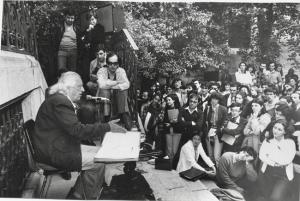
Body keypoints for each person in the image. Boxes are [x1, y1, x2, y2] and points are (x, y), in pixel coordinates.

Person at [33, 72, 127, 199]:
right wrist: (107, 127)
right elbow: (77, 130)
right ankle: (87, 196)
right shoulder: (60, 102)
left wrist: (103, 127)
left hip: (56, 147)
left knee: (102, 154)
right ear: (68, 88)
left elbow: (73, 128)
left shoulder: (58, 99)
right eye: (79, 86)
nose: (83, 89)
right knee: (99, 162)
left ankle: (78, 195)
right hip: (55, 153)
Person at [257, 120, 296, 201]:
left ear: (284, 132)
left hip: (283, 175)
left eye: (279, 129)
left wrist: (269, 156)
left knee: (275, 198)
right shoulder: (268, 140)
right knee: (265, 195)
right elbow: (261, 156)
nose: (276, 131)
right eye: (275, 128)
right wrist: (274, 162)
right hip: (267, 172)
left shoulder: (290, 143)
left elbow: (287, 160)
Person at [96, 52, 131, 129]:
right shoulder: (102, 71)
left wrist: (110, 85)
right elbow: (101, 85)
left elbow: (127, 84)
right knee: (105, 91)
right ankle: (106, 118)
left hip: (117, 96)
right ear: (107, 63)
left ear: (118, 64)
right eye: (110, 63)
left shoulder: (120, 71)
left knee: (122, 91)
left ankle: (123, 115)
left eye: (115, 63)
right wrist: (117, 82)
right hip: (104, 97)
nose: (113, 66)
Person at [203, 92, 227, 165]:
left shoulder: (223, 109)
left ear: (219, 100)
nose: (214, 101)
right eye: (212, 99)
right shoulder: (207, 108)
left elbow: (224, 122)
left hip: (218, 133)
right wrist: (206, 132)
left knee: (217, 156)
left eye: (216, 99)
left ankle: (218, 172)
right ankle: (213, 170)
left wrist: (219, 130)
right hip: (209, 132)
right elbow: (204, 121)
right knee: (210, 155)